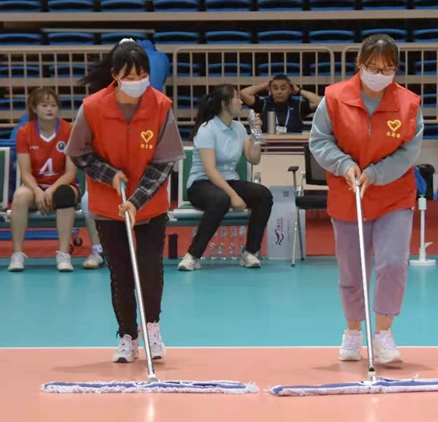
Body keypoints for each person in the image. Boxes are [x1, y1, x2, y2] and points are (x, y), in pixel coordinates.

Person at [65, 38, 185, 363]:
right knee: (120, 274)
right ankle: (127, 337)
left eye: (142, 75)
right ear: (115, 75)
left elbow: (164, 162)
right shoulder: (93, 107)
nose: (137, 82)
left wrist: (137, 199)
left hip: (149, 206)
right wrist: (108, 174)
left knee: (149, 269)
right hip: (109, 206)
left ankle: (152, 329)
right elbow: (79, 153)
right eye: (130, 76)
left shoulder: (161, 106)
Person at [309, 34, 424, 364]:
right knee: (352, 270)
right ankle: (353, 331)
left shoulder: (409, 103)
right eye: (373, 68)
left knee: (392, 263)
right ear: (359, 64)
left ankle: (383, 333)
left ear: (396, 69)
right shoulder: (334, 98)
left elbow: (409, 151)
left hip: (393, 195)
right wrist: (344, 165)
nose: (379, 75)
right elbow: (320, 141)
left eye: (387, 69)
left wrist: (375, 173)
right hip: (349, 194)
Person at [177, 84, 272, 271]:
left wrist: (256, 133)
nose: (241, 101)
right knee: (220, 199)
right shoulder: (207, 129)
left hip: (228, 181)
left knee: (263, 195)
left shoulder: (239, 128)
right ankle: (193, 255)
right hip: (201, 184)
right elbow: (210, 170)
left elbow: (254, 158)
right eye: (236, 97)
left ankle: (250, 252)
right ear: (224, 103)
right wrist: (233, 196)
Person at [9, 88, 79, 272]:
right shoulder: (24, 132)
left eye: (53, 105)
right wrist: (38, 191)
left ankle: (63, 254)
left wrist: (51, 190)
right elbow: (25, 172)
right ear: (34, 108)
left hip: (63, 184)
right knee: (20, 196)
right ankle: (17, 254)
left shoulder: (69, 130)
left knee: (64, 195)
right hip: (35, 185)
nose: (49, 109)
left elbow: (70, 173)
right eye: (44, 105)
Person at [240, 74, 322, 133]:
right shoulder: (264, 104)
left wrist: (298, 90)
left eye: (283, 88)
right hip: (268, 147)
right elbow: (244, 93)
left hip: (294, 147)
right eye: (275, 88)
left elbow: (319, 102)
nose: (279, 92)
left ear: (290, 90)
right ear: (270, 90)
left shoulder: (298, 105)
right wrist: (265, 85)